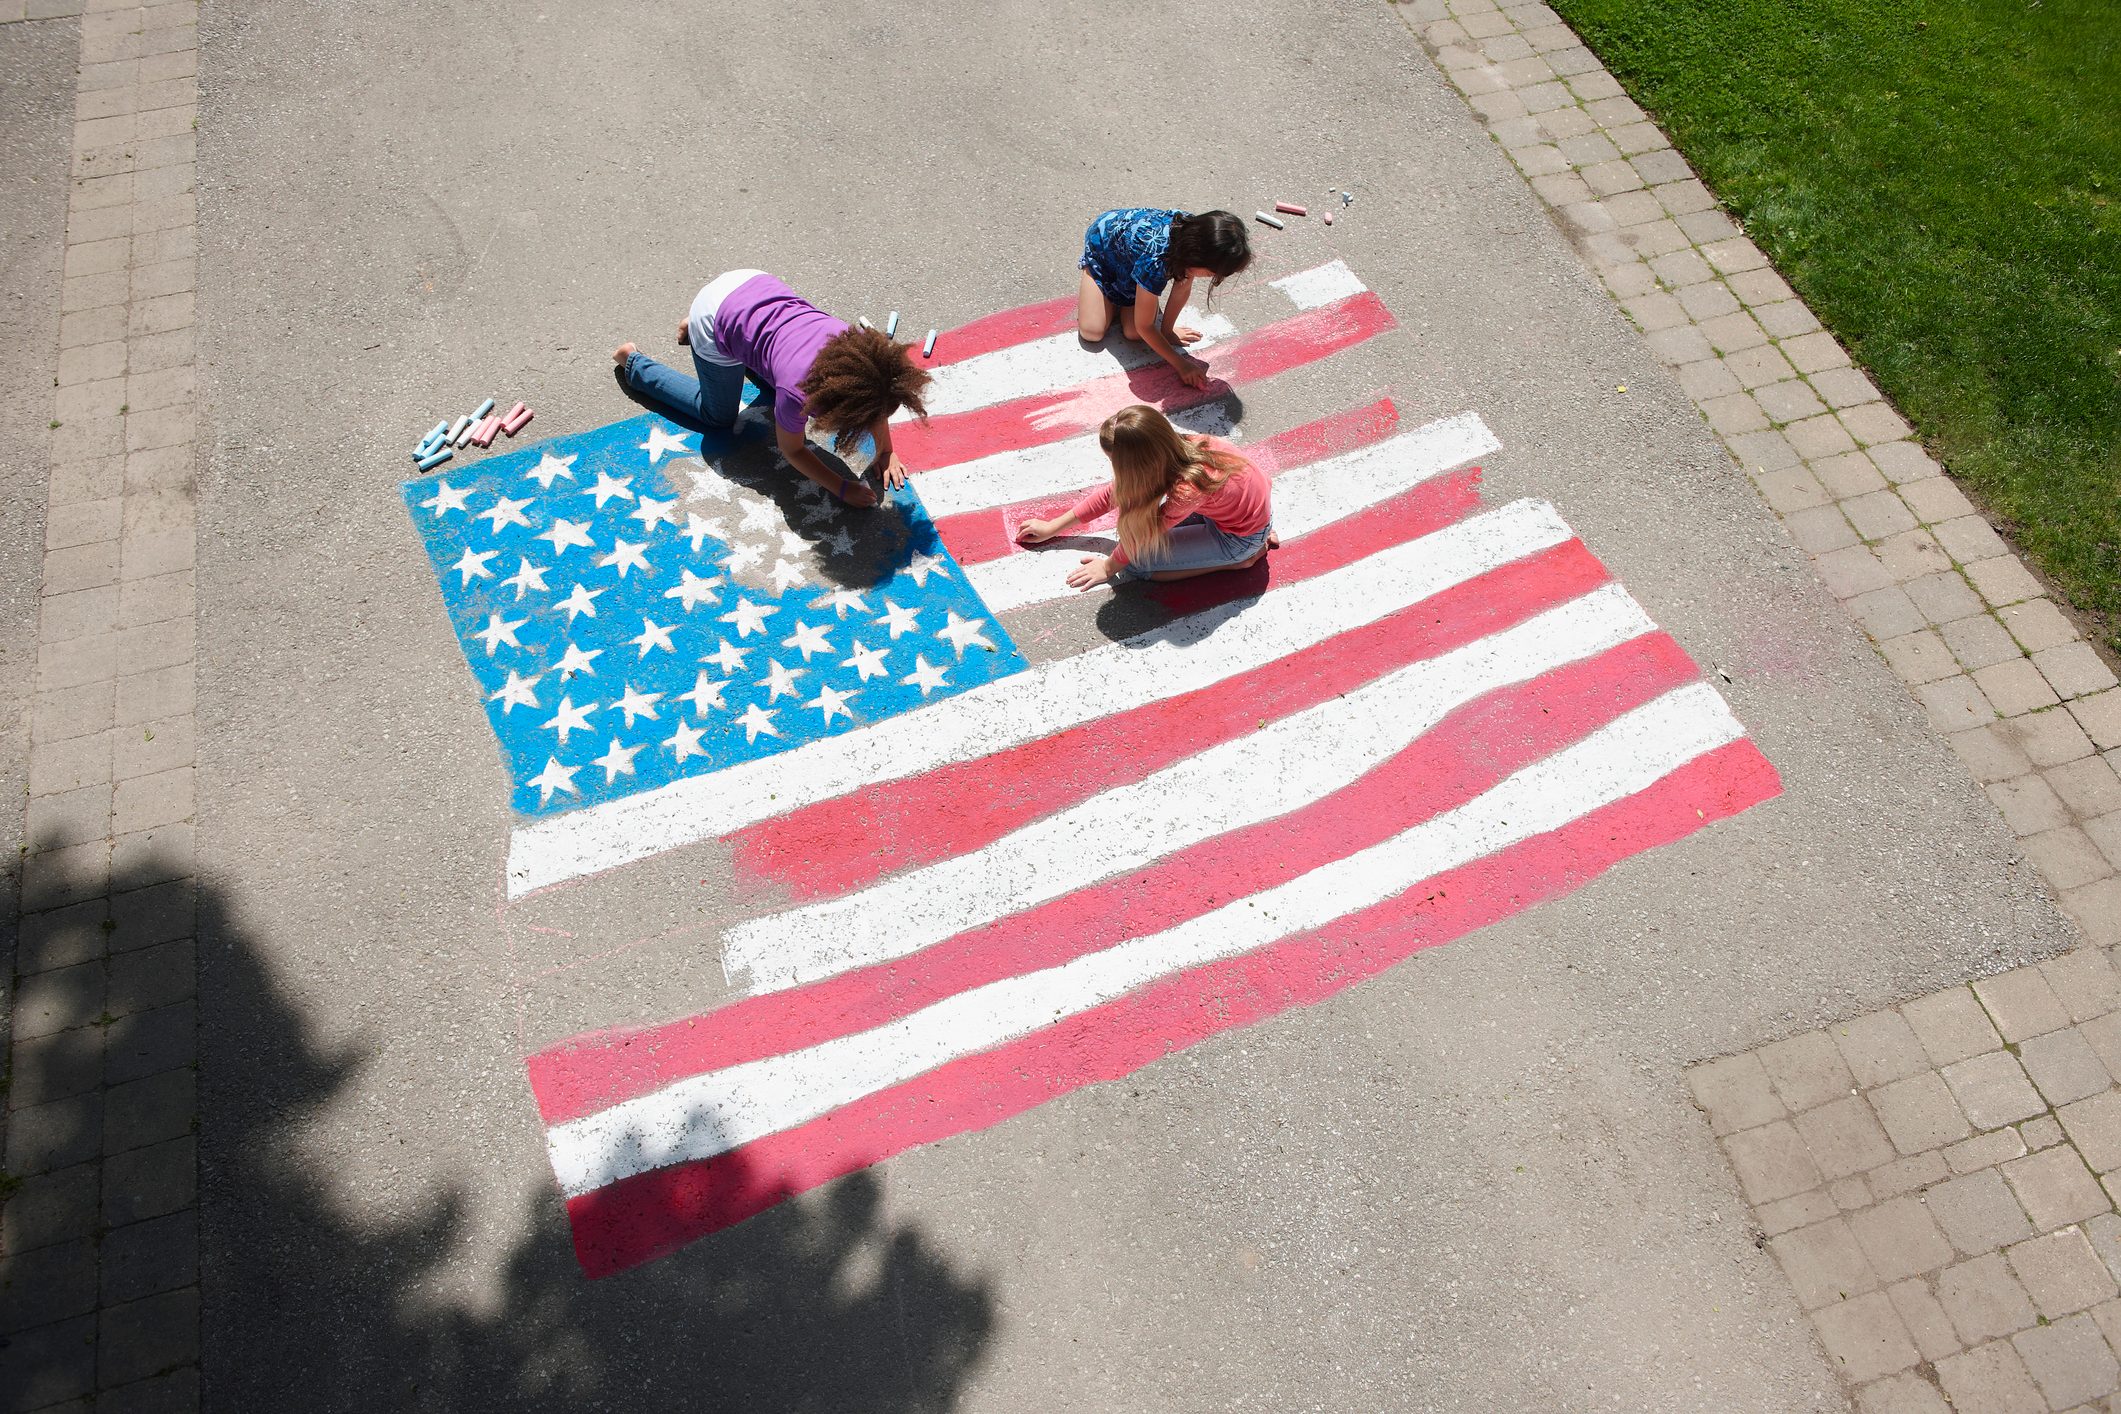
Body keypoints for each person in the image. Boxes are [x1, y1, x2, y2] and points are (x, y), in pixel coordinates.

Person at [610, 270, 929, 508]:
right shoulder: (796, 393)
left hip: (752, 285)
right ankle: (634, 362)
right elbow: (793, 450)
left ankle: (697, 322)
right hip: (715, 319)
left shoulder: (858, 352)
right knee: (718, 415)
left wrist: (885, 450)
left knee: (764, 359)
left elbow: (874, 398)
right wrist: (841, 488)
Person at [1016, 404, 1276, 591]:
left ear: (1138, 464)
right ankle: (1257, 535)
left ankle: (1238, 562)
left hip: (1238, 538)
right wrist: (1052, 527)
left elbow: (1142, 538)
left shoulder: (1187, 489)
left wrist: (1107, 568)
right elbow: (1113, 494)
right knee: (1130, 539)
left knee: (1138, 565)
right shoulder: (1187, 444)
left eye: (1115, 462)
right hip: (1245, 515)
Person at [1075, 209, 1252, 391]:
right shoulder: (1155, 261)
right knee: (1092, 332)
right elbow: (1145, 326)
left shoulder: (1195, 236)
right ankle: (1104, 283)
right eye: (1212, 272)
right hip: (1104, 253)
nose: (1212, 277)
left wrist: (1167, 332)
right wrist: (1181, 364)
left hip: (1132, 260)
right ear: (1196, 256)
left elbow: (1182, 288)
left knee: (1134, 332)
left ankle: (1136, 291)